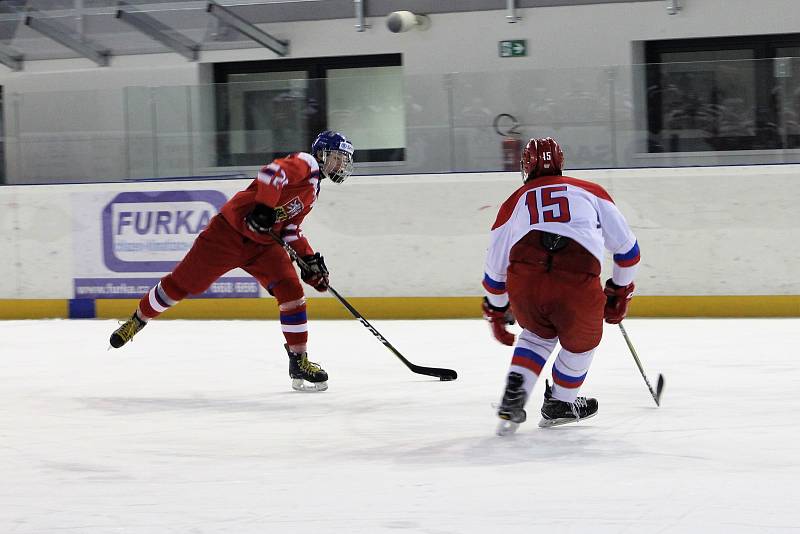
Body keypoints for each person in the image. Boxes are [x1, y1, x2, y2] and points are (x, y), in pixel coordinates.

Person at [108, 131, 355, 392]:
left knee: (291, 291)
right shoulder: (306, 163)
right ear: (323, 154)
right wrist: (263, 208)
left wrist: (308, 259)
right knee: (181, 284)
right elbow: (271, 173)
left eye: (344, 161)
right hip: (227, 234)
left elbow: (291, 229)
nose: (341, 165)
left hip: (264, 246)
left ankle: (299, 360)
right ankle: (137, 320)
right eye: (338, 158)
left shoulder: (313, 190)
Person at [482, 137, 640, 435]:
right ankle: (561, 403)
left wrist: (496, 309)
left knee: (537, 335)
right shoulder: (592, 191)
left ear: (525, 166)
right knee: (581, 343)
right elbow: (629, 252)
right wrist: (620, 291)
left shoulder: (514, 201)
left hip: (526, 282)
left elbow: (494, 269)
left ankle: (516, 386)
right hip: (576, 280)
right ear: (562, 162)